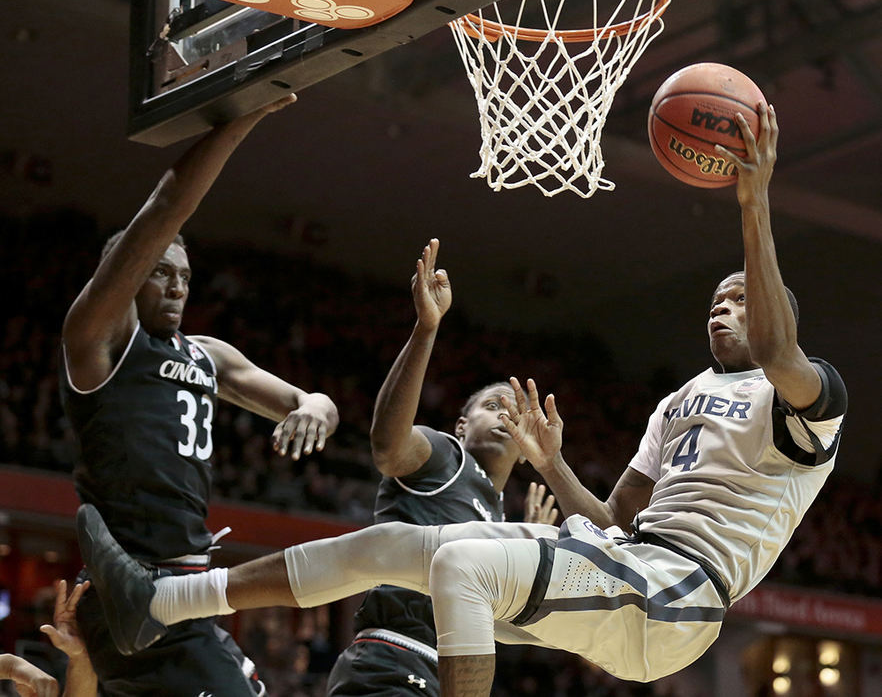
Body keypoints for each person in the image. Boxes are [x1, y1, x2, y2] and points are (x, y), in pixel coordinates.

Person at [77, 102, 846, 695]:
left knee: (464, 569)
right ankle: (162, 603)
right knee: (390, 550)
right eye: (717, 297)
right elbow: (613, 520)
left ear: (777, 307)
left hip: (681, 594)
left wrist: (753, 205)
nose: (723, 305)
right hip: (628, 566)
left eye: (742, 297)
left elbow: (779, 349)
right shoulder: (677, 401)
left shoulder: (807, 397)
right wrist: (552, 464)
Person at [60, 95, 339, 696]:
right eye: (161, 271)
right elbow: (166, 204)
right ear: (126, 278)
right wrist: (242, 118)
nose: (177, 286)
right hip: (132, 587)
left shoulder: (208, 354)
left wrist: (315, 406)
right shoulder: (99, 341)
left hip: (185, 590)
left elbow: (308, 400)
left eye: (185, 276)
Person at [326, 239, 557, 696]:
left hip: (445, 674)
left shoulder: (499, 516)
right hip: (391, 657)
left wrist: (527, 559)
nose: (504, 416)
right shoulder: (445, 456)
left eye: (515, 411)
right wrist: (425, 330)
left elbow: (506, 625)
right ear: (461, 424)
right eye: (493, 406)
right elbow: (388, 448)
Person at [0, 580, 96, 697]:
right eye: (47, 610)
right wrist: (9, 666)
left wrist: (81, 657)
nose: (56, 616)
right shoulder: (28, 650)